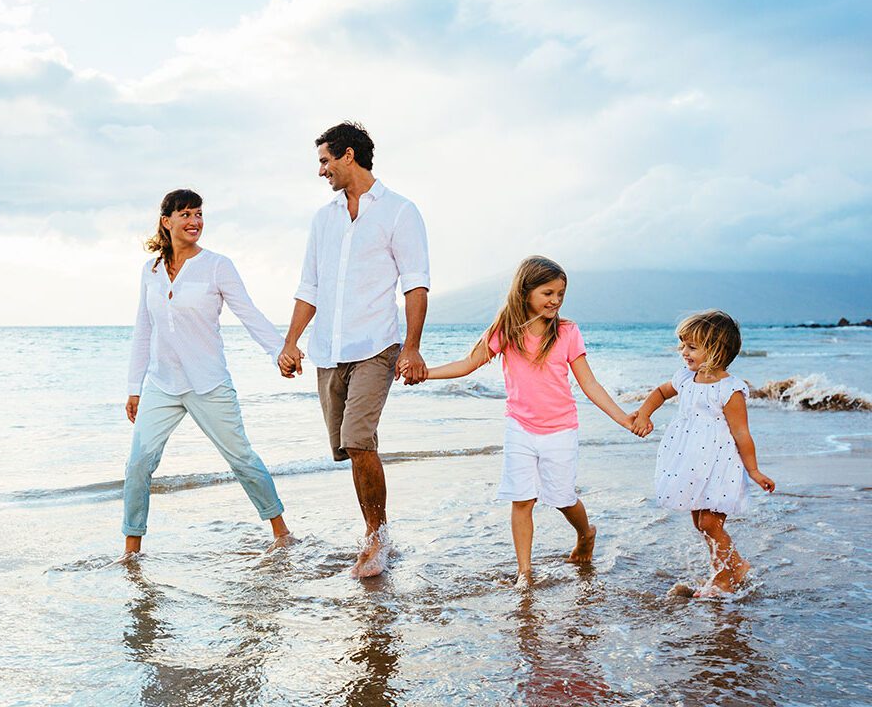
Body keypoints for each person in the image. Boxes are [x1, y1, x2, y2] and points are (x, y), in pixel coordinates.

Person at [278, 121, 430, 578]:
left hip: (376, 345)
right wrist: (291, 343)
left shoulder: (400, 212)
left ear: (348, 156)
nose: (321, 171)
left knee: (358, 438)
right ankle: (374, 528)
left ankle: (376, 538)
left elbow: (416, 284)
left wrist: (413, 348)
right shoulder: (323, 219)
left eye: (325, 160)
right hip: (328, 350)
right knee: (345, 448)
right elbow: (310, 286)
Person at [425, 256, 634, 586]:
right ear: (525, 292)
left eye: (560, 294)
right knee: (522, 500)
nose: (555, 301)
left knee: (563, 499)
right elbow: (468, 364)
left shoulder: (566, 332)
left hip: (561, 428)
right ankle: (525, 573)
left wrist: (623, 418)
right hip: (520, 426)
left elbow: (589, 384)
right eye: (548, 293)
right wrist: (425, 374)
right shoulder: (505, 331)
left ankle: (585, 533)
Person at [121, 189, 291, 559]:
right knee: (138, 464)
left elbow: (248, 312)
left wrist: (280, 350)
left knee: (241, 459)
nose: (194, 221)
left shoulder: (217, 266)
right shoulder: (149, 271)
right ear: (166, 222)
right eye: (185, 214)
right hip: (162, 385)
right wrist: (134, 388)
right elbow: (143, 330)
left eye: (198, 214)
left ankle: (281, 531)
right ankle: (132, 549)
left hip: (208, 382)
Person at [629, 310, 775, 596]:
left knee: (710, 521)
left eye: (691, 346)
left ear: (716, 350)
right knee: (700, 522)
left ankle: (729, 572)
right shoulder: (686, 378)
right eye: (683, 345)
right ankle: (724, 568)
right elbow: (660, 392)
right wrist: (644, 414)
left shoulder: (729, 390)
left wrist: (754, 471)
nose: (683, 352)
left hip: (718, 464)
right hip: (690, 462)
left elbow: (742, 434)